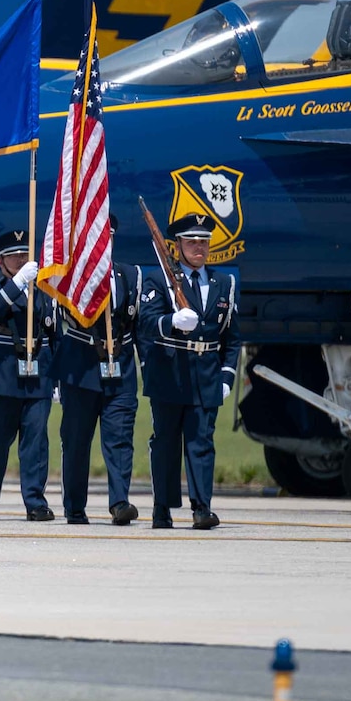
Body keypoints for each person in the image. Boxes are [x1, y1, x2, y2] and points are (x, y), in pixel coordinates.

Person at [135, 212, 241, 529]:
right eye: (191, 241)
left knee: (201, 443)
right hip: (170, 374)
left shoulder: (225, 283)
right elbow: (145, 325)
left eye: (203, 241)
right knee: (166, 443)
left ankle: (202, 507)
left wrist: (227, 376)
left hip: (206, 375)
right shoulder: (161, 281)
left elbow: (232, 338)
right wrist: (171, 322)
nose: (199, 247)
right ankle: (161, 507)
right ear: (177, 245)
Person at [50, 215, 141, 526]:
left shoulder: (130, 276)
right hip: (80, 368)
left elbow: (139, 329)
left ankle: (120, 502)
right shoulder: (72, 280)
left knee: (120, 438)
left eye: (107, 236)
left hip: (121, 370)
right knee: (76, 441)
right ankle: (74, 506)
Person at [0, 230, 58, 522]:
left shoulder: (45, 292)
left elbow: (54, 334)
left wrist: (56, 378)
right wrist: (18, 283)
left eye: (25, 255)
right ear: (1, 262)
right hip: (3, 375)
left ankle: (35, 501)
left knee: (36, 439)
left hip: (39, 375)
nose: (21, 260)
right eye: (14, 256)